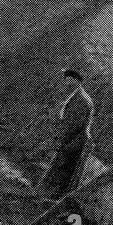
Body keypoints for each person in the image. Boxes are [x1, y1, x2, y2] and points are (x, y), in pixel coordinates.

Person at [38, 69, 95, 199]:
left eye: (69, 80)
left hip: (73, 142)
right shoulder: (76, 96)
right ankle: (46, 196)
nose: (66, 83)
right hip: (71, 140)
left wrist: (60, 142)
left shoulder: (81, 100)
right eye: (66, 80)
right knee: (59, 169)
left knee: (62, 171)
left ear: (77, 81)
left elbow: (73, 126)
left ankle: (50, 198)